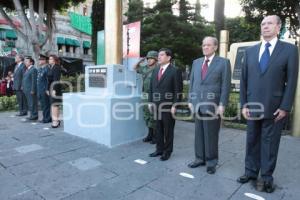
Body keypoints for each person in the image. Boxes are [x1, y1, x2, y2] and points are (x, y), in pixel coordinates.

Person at [238, 15, 299, 193]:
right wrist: (243, 104)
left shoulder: (289, 50)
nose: (265, 26)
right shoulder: (250, 52)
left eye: (269, 23)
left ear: (278, 27)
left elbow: (292, 80)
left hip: (275, 109)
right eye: (263, 24)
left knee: (270, 144)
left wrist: (285, 106)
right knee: (252, 141)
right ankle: (250, 172)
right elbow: (244, 81)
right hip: (253, 107)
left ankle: (266, 177)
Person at [187, 36, 231, 174]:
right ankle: (199, 158)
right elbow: (192, 83)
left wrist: (222, 104)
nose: (205, 47)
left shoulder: (223, 63)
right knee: (198, 133)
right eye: (203, 45)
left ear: (215, 47)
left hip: (213, 105)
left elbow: (225, 85)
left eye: (208, 45)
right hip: (197, 104)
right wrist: (190, 100)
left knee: (211, 134)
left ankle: (211, 161)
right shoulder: (196, 62)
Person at [148, 48, 180, 161]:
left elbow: (177, 90)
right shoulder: (156, 70)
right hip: (156, 106)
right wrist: (150, 102)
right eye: (159, 55)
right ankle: (159, 149)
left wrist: (175, 105)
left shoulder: (174, 71)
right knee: (158, 129)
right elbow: (151, 88)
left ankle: (167, 152)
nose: (159, 57)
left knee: (168, 130)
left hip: (168, 107)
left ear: (168, 57)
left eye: (161, 55)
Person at [134, 50, 159, 144]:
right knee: (146, 115)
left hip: (153, 94)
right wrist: (141, 60)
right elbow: (135, 68)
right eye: (148, 58)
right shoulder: (144, 68)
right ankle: (150, 134)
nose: (149, 60)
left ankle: (156, 136)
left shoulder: (158, 68)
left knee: (154, 115)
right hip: (145, 94)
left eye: (151, 58)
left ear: (156, 59)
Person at [47, 55, 62, 128]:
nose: (49, 60)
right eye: (49, 59)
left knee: (55, 105)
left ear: (54, 60)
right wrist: (47, 89)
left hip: (55, 88)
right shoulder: (51, 67)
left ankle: (55, 121)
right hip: (51, 88)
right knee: (53, 105)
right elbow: (49, 80)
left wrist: (54, 90)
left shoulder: (56, 67)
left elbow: (56, 79)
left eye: (50, 59)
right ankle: (57, 120)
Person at [37, 54, 51, 123]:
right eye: (39, 59)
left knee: (46, 105)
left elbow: (48, 80)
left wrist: (47, 89)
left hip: (44, 90)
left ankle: (47, 118)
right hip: (40, 89)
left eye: (41, 60)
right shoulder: (40, 69)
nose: (39, 61)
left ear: (45, 61)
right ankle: (45, 117)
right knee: (43, 105)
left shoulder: (47, 68)